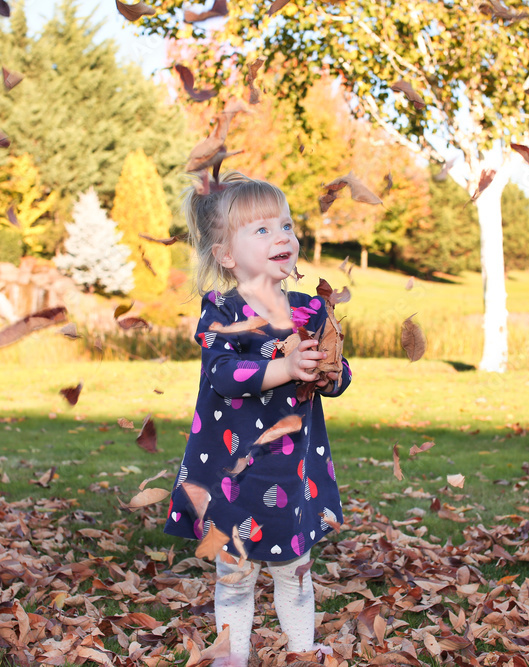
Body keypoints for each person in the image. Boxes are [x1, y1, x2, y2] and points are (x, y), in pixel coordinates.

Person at [164, 172, 352, 666]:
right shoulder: (222, 311)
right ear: (227, 254)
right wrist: (285, 368)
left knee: (295, 570)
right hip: (231, 473)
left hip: (291, 472)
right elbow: (225, 374)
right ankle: (232, 655)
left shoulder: (311, 310)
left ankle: (301, 650)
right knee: (236, 573)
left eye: (286, 225)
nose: (281, 237)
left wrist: (328, 373)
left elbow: (338, 375)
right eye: (262, 230)